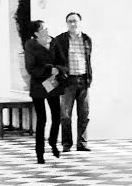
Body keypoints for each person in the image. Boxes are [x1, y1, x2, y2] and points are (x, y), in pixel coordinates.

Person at [51, 10, 93, 151]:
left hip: (83, 80)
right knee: (65, 114)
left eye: (75, 21)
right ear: (66, 24)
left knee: (84, 114)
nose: (73, 23)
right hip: (68, 82)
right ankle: (66, 144)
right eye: (70, 21)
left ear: (80, 22)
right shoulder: (60, 40)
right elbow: (54, 60)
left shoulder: (86, 39)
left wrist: (89, 77)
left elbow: (88, 60)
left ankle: (82, 143)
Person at [24, 20, 62, 164]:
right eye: (43, 28)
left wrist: (58, 69)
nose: (47, 30)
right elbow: (30, 68)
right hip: (39, 86)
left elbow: (62, 60)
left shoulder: (54, 42)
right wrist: (47, 69)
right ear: (36, 32)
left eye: (47, 27)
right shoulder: (30, 45)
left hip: (52, 83)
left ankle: (52, 141)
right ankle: (39, 152)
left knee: (57, 116)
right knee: (42, 120)